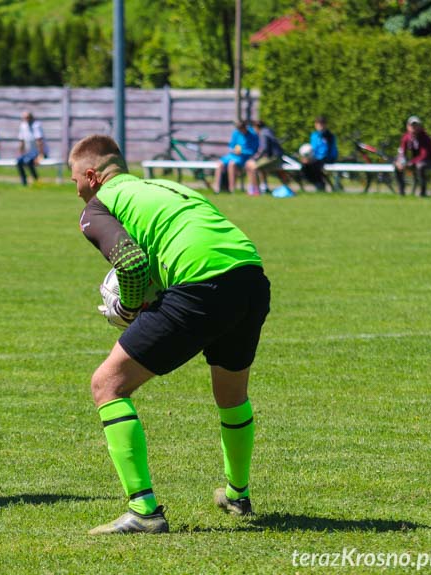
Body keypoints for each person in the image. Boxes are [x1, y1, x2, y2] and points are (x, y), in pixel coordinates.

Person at [68, 135, 270, 535]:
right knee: (231, 395)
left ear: (91, 176)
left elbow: (130, 262)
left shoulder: (97, 207)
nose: (75, 190)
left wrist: (127, 307)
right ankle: (237, 494)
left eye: (74, 180)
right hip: (250, 276)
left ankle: (144, 512)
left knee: (107, 385)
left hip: (199, 285)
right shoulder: (166, 186)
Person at [395, 116, 431, 197]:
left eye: (416, 125)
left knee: (420, 166)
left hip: (430, 160)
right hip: (416, 160)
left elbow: (424, 155)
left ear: (419, 126)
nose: (414, 127)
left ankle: (423, 192)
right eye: (412, 125)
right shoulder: (406, 137)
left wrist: (411, 162)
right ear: (407, 126)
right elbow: (402, 152)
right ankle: (401, 192)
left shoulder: (425, 137)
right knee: (397, 165)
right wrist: (400, 161)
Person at [245, 120, 291, 196]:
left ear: (256, 127)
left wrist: (254, 158)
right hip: (276, 157)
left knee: (252, 167)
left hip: (274, 158)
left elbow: (263, 149)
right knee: (257, 166)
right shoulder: (268, 131)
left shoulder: (263, 134)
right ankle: (263, 187)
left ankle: (255, 191)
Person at [213, 120, 258, 194]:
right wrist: (234, 150)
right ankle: (217, 188)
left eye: (242, 129)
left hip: (244, 156)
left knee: (232, 164)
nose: (240, 131)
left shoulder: (252, 135)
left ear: (245, 127)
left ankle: (232, 189)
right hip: (233, 155)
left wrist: (242, 151)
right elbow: (231, 146)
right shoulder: (236, 133)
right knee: (220, 164)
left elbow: (253, 150)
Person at [299, 116, 338, 191]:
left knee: (315, 165)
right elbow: (312, 149)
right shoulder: (314, 135)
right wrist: (308, 158)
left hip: (327, 158)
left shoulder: (329, 136)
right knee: (304, 166)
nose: (320, 125)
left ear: (325, 125)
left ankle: (320, 184)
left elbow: (327, 151)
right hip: (315, 158)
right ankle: (316, 182)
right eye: (318, 123)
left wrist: (314, 159)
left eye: (322, 123)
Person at [16, 111, 48, 186]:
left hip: (40, 152)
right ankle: (24, 182)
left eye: (28, 118)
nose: (26, 119)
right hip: (30, 152)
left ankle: (36, 180)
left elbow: (39, 142)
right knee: (19, 161)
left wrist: (40, 155)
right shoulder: (23, 126)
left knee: (29, 161)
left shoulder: (36, 126)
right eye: (25, 118)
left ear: (31, 117)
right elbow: (22, 141)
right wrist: (20, 154)